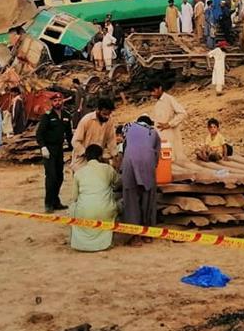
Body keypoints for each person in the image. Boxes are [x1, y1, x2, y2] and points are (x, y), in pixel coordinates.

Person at [69, 144, 119, 252]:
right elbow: (117, 184)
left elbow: (74, 198)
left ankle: (81, 241)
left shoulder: (78, 173)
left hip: (83, 213)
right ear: (101, 157)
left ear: (86, 157)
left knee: (72, 207)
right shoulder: (108, 169)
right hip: (104, 212)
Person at [120, 115, 161, 245]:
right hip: (147, 165)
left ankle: (134, 237)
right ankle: (148, 234)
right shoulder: (154, 132)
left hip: (129, 165)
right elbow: (156, 156)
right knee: (148, 199)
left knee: (131, 200)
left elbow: (125, 149)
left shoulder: (129, 128)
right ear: (149, 123)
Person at [36, 92, 73, 212]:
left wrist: (73, 148)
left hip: (59, 149)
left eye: (59, 100)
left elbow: (69, 134)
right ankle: (48, 203)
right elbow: (39, 133)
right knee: (51, 176)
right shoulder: (47, 116)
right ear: (52, 102)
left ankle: (55, 201)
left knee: (59, 176)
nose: (58, 102)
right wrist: (43, 147)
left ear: (62, 101)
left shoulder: (66, 115)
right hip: (49, 149)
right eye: (55, 101)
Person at [71, 97, 117, 164]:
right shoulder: (86, 120)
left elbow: (111, 140)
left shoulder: (109, 121)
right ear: (98, 110)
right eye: (104, 114)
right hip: (82, 159)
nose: (107, 117)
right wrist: (86, 154)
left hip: (99, 158)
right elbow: (75, 141)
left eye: (108, 114)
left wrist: (115, 155)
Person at [151, 81, 188, 161]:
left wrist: (169, 124)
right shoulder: (157, 104)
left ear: (160, 88)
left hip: (170, 137)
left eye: (154, 91)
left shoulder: (169, 99)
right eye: (151, 92)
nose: (152, 94)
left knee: (173, 161)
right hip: (160, 139)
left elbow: (182, 113)